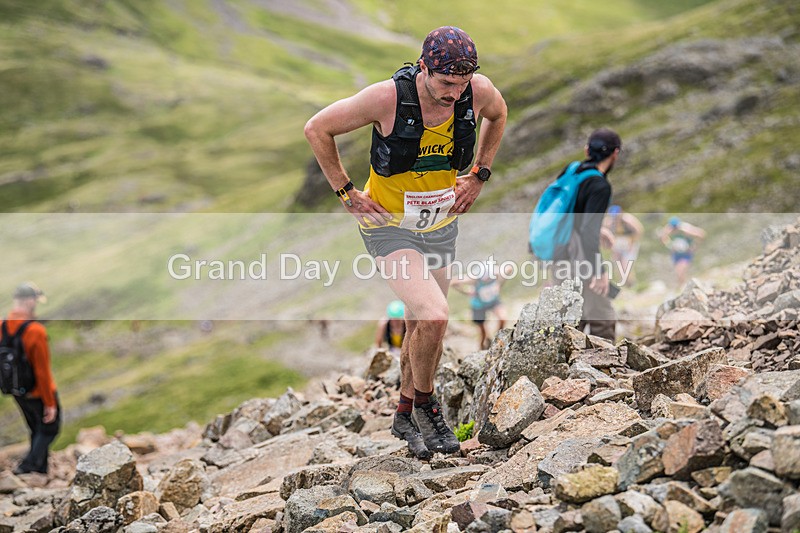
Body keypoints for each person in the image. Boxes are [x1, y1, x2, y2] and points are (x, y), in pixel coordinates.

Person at [305, 26, 507, 459]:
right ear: (424, 68)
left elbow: (499, 113)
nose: (455, 94)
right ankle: (427, 408)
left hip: (439, 224)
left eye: (462, 83)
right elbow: (317, 128)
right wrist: (346, 192)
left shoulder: (477, 91)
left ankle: (403, 413)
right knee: (435, 314)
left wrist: (479, 174)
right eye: (446, 82)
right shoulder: (387, 98)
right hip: (388, 226)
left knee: (422, 327)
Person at [550, 128, 622, 341]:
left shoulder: (572, 170)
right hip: (578, 254)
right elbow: (587, 232)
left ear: (586, 150)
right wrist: (598, 271)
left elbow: (567, 212)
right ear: (615, 153)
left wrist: (598, 229)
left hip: (557, 249)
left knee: (574, 312)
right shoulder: (599, 185)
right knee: (602, 315)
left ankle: (567, 357)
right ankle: (604, 359)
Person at [1, 283, 60, 475]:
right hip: (37, 392)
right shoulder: (35, 331)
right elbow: (42, 371)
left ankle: (41, 471)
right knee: (50, 429)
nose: (36, 304)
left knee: (36, 428)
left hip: (16, 390)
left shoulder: (2, 326)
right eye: (35, 300)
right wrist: (50, 402)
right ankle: (28, 466)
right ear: (29, 301)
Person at [451, 263, 508, 350]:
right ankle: (482, 346)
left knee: (503, 318)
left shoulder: (496, 272)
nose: (487, 280)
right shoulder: (473, 279)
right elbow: (454, 282)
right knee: (483, 332)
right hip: (479, 305)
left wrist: (499, 284)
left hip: (493, 301)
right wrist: (466, 291)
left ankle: (498, 338)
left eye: (489, 278)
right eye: (485, 279)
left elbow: (509, 269)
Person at [603, 205, 644, 284]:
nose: (615, 218)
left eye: (616, 216)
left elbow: (639, 231)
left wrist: (631, 243)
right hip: (618, 244)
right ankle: (622, 283)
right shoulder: (609, 222)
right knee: (617, 263)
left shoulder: (627, 220)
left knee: (626, 265)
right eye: (613, 216)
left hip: (630, 243)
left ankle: (630, 284)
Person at [660, 217, 706, 287]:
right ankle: (683, 286)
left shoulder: (685, 228)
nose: (674, 229)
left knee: (680, 270)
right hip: (676, 254)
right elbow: (663, 238)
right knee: (678, 272)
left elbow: (701, 234)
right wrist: (669, 245)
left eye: (675, 227)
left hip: (686, 253)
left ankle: (684, 286)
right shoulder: (668, 229)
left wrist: (694, 246)